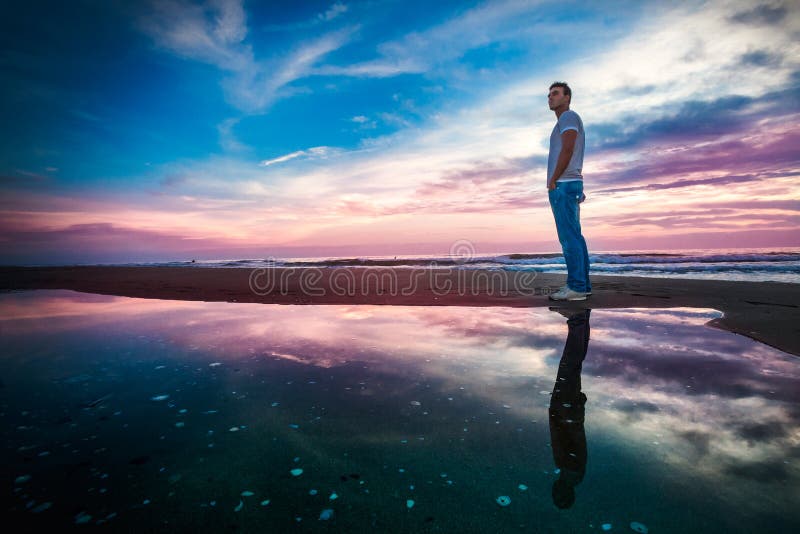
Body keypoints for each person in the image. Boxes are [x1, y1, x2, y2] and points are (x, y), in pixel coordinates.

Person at [546, 82, 591, 301]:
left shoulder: (568, 117)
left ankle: (576, 287)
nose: (550, 97)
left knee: (568, 238)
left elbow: (568, 148)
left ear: (567, 98)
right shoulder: (566, 120)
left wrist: (554, 179)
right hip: (571, 183)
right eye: (549, 95)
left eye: (555, 93)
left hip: (564, 184)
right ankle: (583, 285)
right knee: (576, 237)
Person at [548, 308, 591, 509]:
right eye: (557, 493)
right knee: (570, 364)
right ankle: (578, 320)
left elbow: (575, 438)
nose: (554, 489)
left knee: (573, 365)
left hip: (569, 411)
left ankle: (581, 319)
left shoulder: (573, 471)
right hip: (566, 411)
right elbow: (571, 436)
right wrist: (570, 410)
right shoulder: (570, 469)